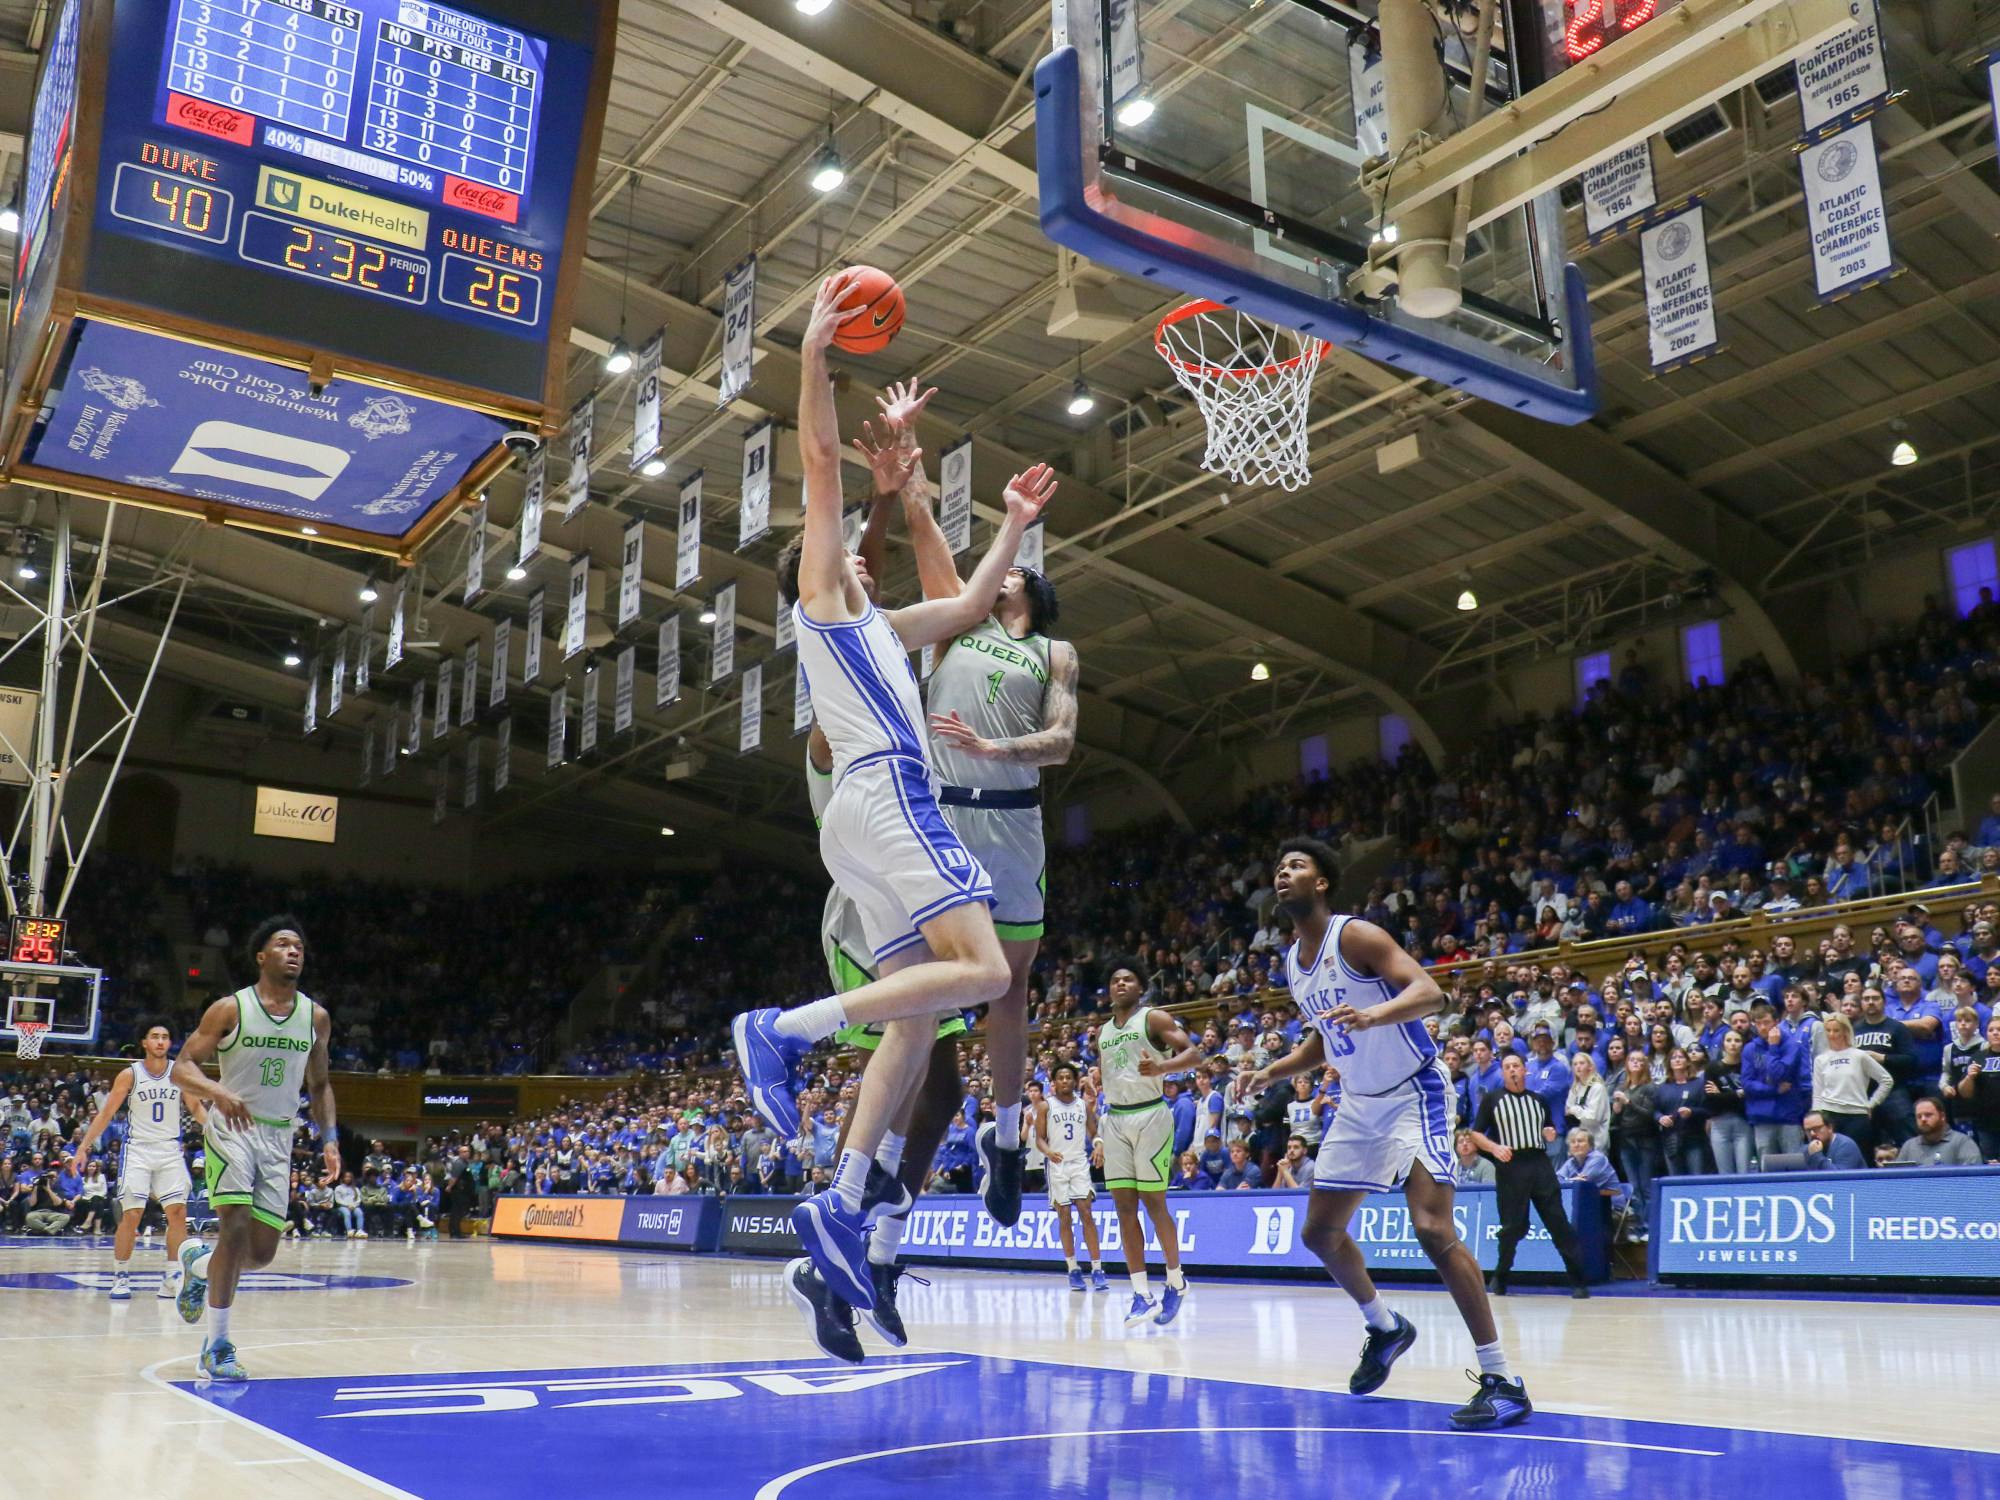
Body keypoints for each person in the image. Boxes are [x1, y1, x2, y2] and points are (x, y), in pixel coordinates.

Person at [733, 271, 1054, 1316]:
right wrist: (815, 354)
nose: (850, 554)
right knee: (984, 977)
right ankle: (781, 1029)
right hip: (892, 799)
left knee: (917, 1020)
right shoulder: (824, 598)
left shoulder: (876, 628)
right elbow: (818, 461)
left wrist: (1006, 520)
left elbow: (961, 605)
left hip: (857, 838)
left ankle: (839, 1199)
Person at [1244, 837, 1530, 1431]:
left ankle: (1503, 1380)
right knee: (1320, 1234)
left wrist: (1376, 1013)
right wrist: (1276, 1068)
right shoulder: (1293, 964)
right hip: (1358, 1102)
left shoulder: (1356, 936)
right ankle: (1385, 1327)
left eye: (1295, 865)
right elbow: (1327, 1037)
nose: (1283, 874)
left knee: (1430, 1226)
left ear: (1322, 883)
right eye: (1278, 867)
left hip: (1414, 1090)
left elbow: (1431, 991)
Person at [884, 386, 1081, 1227]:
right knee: (927, 990)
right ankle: (890, 1163)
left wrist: (1000, 748)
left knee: (1008, 993)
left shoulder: (1053, 651)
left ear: (1029, 593)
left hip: (1013, 818)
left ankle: (1006, 1143)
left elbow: (1065, 740)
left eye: (1013, 574)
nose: (1001, 579)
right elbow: (926, 527)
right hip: (945, 816)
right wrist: (910, 452)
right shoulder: (959, 623)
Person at [171, 916, 341, 1382]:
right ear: (261, 957)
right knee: (236, 1226)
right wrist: (219, 1093)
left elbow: (321, 1084)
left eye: (299, 946)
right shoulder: (230, 1009)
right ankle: (217, 1345)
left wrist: (330, 1140)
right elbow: (182, 1068)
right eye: (283, 944)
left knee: (262, 1253)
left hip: (279, 1135)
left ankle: (198, 1262)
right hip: (231, 1127)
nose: (294, 951)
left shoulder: (316, 1017)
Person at [1091, 961, 1200, 1327]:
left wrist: (1162, 1069)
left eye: (1128, 979)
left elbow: (1193, 1054)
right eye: (1115, 979)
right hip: (1116, 1119)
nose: (1120, 983)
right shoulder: (1103, 1032)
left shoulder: (1153, 1018)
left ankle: (1176, 1280)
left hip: (1152, 1115)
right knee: (1123, 1207)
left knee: (1154, 1202)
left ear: (1140, 988)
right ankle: (1141, 1293)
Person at [68, 1020, 209, 1300]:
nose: (160, 1041)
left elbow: (195, 1107)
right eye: (155, 1036)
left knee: (178, 1213)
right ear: (144, 1042)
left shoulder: (180, 1073)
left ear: (170, 1043)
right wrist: (83, 1147)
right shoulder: (129, 1074)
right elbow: (106, 1113)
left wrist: (217, 1135)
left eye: (165, 1037)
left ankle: (171, 1277)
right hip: (138, 1150)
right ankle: (121, 1275)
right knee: (132, 1214)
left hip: (170, 1150)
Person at [1468, 1054, 1592, 1299]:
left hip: (1539, 1163)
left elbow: (1549, 1130)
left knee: (1558, 1221)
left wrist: (1550, 1133)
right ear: (1502, 1073)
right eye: (1507, 1067)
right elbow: (1475, 1134)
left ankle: (1578, 1280)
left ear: (1526, 1071)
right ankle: (1500, 1276)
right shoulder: (1492, 1100)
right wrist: (1494, 1148)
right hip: (1511, 1165)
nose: (1512, 1070)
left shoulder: (1539, 1100)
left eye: (1516, 1066)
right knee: (1514, 1226)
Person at [1037, 1063, 1107, 1291]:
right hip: (1057, 1165)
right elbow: (1039, 1138)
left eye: (1069, 1077)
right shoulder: (1046, 1106)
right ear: (1054, 1083)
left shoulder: (1083, 1106)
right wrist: (1047, 1152)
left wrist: (1098, 1145)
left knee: (1086, 1212)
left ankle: (1097, 1269)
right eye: (1061, 1077)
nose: (1065, 1081)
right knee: (1064, 1216)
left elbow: (1094, 1132)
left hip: (1078, 1163)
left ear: (1075, 1081)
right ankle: (1073, 1269)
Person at [1811, 1012, 1894, 1162]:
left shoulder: (1859, 1056)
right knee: (1830, 1159)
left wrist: (1872, 1103)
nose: (1832, 1034)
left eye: (1836, 1030)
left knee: (1859, 1157)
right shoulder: (1820, 1060)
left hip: (1857, 1115)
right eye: (1828, 1030)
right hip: (1830, 1114)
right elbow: (1817, 1092)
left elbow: (1886, 1080)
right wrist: (1817, 1118)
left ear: (1845, 1031)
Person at [1607, 1051, 1661, 1234]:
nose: (1636, 1063)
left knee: (1646, 1187)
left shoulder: (1650, 1088)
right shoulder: (1624, 1087)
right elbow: (1616, 1120)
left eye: (1640, 1060)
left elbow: (1648, 1115)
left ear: (1645, 1065)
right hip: (1626, 1142)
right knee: (1634, 1188)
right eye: (1632, 1060)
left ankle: (1650, 1228)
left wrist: (1628, 1102)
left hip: (1645, 1141)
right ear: (1627, 1064)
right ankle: (1638, 1227)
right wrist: (1617, 1109)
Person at [1951, 1015, 2000, 1161]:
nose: (1995, 1033)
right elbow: (1965, 1093)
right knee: (1989, 1164)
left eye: (1999, 1029)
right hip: (1986, 1123)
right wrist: (1969, 1077)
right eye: (1991, 1030)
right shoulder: (1977, 1058)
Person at [1703, 1031, 1752, 1174]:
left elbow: (1749, 1096)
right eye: (1729, 1040)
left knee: (1744, 1171)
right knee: (1724, 1172)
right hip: (1719, 1123)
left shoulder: (1747, 1067)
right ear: (1723, 1044)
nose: (1733, 1044)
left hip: (1743, 1122)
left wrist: (1721, 1094)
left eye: (1737, 1040)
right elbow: (1710, 1099)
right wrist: (1737, 1094)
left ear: (1743, 1044)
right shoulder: (1712, 1068)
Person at [1893, 1097, 1981, 1167]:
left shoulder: (1962, 1142)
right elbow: (1897, 1180)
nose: (1923, 1119)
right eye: (1919, 1116)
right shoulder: (1909, 1146)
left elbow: (1971, 1178)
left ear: (1942, 1116)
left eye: (1928, 1115)